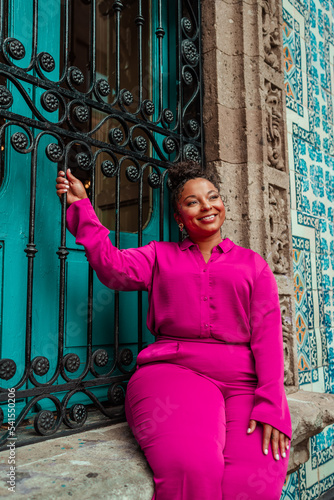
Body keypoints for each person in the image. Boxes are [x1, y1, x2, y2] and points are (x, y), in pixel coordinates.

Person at [56, 160, 292, 500]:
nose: (207, 206)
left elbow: (268, 339)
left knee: (256, 480)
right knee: (193, 468)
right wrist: (82, 207)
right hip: (174, 373)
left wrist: (272, 403)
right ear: (179, 218)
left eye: (212, 197)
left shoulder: (253, 265)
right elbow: (112, 267)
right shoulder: (159, 256)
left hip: (244, 384)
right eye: (193, 201)